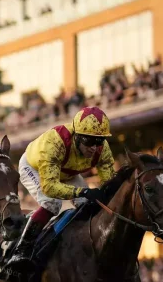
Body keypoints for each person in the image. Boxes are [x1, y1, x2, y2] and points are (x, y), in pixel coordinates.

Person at [8, 106, 116, 269]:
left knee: (87, 204)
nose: (94, 147)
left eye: (99, 141)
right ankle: (21, 250)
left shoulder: (102, 150)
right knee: (52, 203)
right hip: (34, 168)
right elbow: (50, 187)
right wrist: (83, 191)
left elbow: (110, 185)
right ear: (77, 136)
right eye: (89, 141)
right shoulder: (55, 142)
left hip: (66, 172)